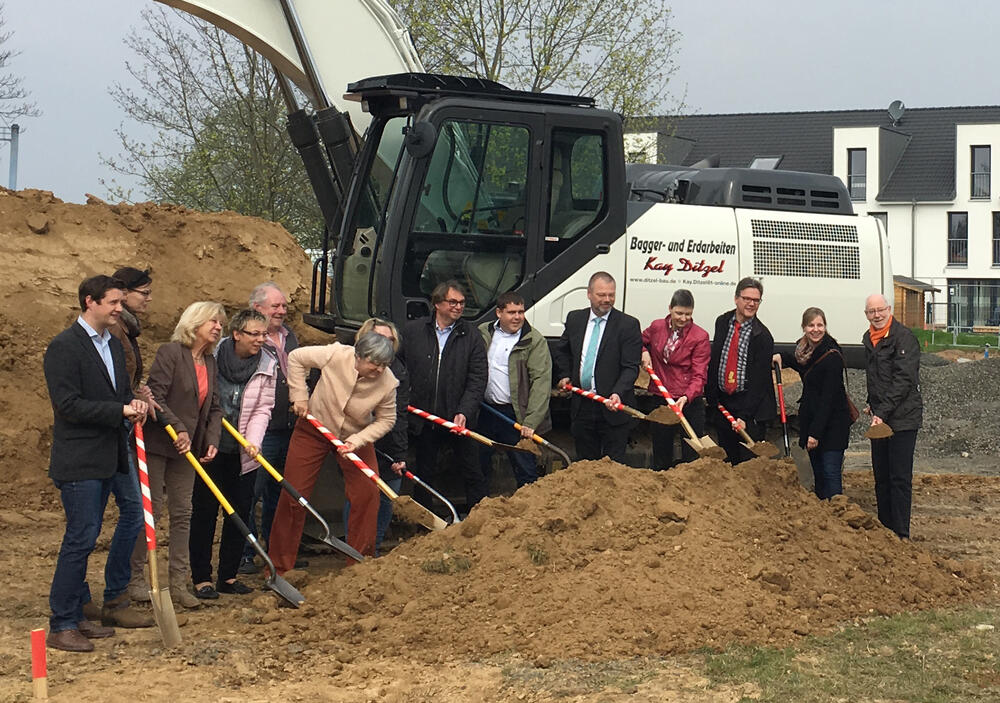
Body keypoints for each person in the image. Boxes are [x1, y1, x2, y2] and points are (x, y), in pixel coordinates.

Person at [43, 275, 148, 651]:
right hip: (80, 458)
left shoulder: (115, 348)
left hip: (113, 453)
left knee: (131, 516)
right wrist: (118, 409)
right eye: (113, 302)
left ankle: (92, 608)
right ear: (90, 302)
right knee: (81, 537)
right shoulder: (63, 347)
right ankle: (63, 623)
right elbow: (67, 406)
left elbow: (120, 393)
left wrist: (133, 406)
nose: (120, 309)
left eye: (121, 302)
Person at [268, 333, 398, 571]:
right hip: (313, 428)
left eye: (384, 365)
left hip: (355, 437)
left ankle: (360, 564)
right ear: (358, 356)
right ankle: (278, 567)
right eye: (374, 363)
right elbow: (296, 358)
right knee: (294, 495)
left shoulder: (388, 383)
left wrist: (359, 440)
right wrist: (299, 395)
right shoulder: (337, 354)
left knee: (368, 494)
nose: (379, 370)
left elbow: (387, 419)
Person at [130, 301, 224, 609]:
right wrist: (178, 427)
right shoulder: (171, 353)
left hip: (188, 449)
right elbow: (154, 395)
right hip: (160, 443)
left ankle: (179, 583)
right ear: (194, 323)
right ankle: (135, 580)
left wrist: (211, 439)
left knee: (183, 513)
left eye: (220, 323)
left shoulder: (210, 362)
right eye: (213, 321)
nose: (219, 327)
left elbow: (215, 408)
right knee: (152, 512)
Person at [81, 266, 154, 628]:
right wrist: (126, 403)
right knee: (87, 524)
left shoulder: (122, 334)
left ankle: (114, 595)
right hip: (99, 439)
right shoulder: (111, 335)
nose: (148, 299)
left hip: (122, 428)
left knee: (133, 513)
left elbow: (126, 382)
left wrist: (137, 397)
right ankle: (83, 599)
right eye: (143, 292)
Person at [189, 309, 276, 599]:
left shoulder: (268, 363)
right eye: (254, 334)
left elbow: (264, 407)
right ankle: (201, 576)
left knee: (239, 512)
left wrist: (253, 441)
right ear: (236, 334)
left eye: (264, 334)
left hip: (244, 452)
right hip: (210, 447)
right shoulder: (213, 356)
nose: (261, 340)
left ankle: (228, 575)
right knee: (205, 511)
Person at [399, 280, 488, 512]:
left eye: (462, 303)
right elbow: (399, 368)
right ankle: (423, 520)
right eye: (453, 302)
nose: (458, 307)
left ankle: (479, 518)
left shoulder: (472, 336)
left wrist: (464, 411)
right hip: (425, 417)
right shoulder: (413, 331)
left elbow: (478, 378)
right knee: (424, 470)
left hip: (459, 417)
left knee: (472, 470)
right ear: (437, 304)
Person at [240, 283, 300, 574]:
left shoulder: (291, 338)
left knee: (280, 492)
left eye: (283, 306)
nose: (281, 311)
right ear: (257, 308)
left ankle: (276, 551)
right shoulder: (248, 342)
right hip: (260, 430)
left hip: (289, 427)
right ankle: (245, 553)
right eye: (275, 306)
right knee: (252, 491)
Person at [554, 271, 642, 463]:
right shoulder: (575, 319)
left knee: (613, 469)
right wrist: (565, 375)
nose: (607, 299)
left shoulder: (628, 325)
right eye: (602, 295)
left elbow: (631, 367)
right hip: (582, 407)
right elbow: (562, 351)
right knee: (585, 465)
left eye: (611, 295)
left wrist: (618, 393)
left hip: (613, 410)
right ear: (589, 294)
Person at [344, 318, 408, 555]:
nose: (385, 344)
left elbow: (398, 415)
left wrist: (400, 453)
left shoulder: (397, 372)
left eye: (390, 340)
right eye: (379, 338)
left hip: (388, 440)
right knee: (359, 497)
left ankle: (373, 548)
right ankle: (353, 549)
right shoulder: (348, 362)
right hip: (355, 440)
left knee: (386, 499)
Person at [774, 307, 852, 499]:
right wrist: (782, 357)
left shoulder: (831, 355)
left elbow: (828, 399)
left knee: (830, 472)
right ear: (804, 327)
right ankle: (823, 517)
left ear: (825, 327)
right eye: (811, 325)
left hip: (833, 423)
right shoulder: (806, 351)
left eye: (820, 325)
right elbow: (802, 364)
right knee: (818, 474)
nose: (815, 329)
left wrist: (815, 434)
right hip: (813, 418)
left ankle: (837, 514)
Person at [863, 293, 922, 539]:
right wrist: (871, 404)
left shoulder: (904, 337)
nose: (877, 315)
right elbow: (876, 377)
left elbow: (904, 380)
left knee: (899, 477)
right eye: (871, 311)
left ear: (889, 309)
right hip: (880, 417)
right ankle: (884, 530)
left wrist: (882, 412)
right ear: (866, 314)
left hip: (903, 418)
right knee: (881, 477)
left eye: (880, 310)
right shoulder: (869, 338)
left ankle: (900, 533)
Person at [478, 291, 552, 487]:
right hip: (485, 410)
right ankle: (477, 510)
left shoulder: (534, 340)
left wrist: (531, 421)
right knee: (478, 465)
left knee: (525, 468)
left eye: (521, 312)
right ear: (498, 313)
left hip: (516, 415)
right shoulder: (484, 333)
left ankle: (530, 513)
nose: (517, 317)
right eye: (511, 312)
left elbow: (541, 382)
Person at [706, 277, 776, 464]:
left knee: (747, 464)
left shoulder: (763, 336)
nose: (751, 304)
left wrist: (745, 415)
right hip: (724, 402)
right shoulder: (722, 322)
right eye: (747, 298)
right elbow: (716, 358)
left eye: (756, 300)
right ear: (736, 298)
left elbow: (760, 383)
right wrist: (711, 393)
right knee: (726, 460)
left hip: (748, 407)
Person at [640, 289, 710, 469]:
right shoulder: (656, 327)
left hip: (687, 401)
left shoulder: (700, 337)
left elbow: (699, 374)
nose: (683, 318)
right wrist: (644, 352)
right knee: (661, 449)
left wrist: (686, 397)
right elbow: (638, 340)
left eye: (688, 314)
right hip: (662, 398)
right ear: (670, 308)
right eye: (679, 313)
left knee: (691, 454)